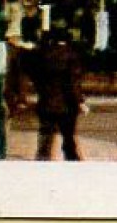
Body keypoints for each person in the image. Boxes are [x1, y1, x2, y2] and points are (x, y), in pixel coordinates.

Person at [28, 25, 85, 161]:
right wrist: (80, 102)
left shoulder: (43, 55)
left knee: (45, 141)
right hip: (66, 106)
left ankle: (41, 164)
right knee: (69, 140)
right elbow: (73, 83)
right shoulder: (71, 56)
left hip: (46, 103)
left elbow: (35, 77)